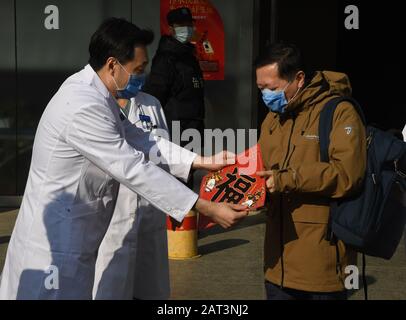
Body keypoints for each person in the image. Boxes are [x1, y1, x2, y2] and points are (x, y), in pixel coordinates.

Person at [0, 18, 247, 300]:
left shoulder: (97, 94)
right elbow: (131, 166)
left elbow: (142, 139)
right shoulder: (82, 105)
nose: (142, 77)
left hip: (75, 237)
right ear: (113, 64)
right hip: (54, 249)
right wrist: (203, 206)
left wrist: (201, 161)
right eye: (138, 70)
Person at [255, 43, 366, 300]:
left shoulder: (339, 112)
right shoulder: (272, 119)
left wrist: (286, 179)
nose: (266, 96)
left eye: (272, 88)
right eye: (261, 89)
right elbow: (263, 172)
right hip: (276, 264)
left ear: (299, 78)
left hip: (321, 266)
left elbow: (348, 175)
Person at [93, 92, 172, 300]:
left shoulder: (152, 104)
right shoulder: (96, 104)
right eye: (137, 68)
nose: (140, 73)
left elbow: (163, 154)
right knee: (110, 288)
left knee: (150, 288)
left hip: (151, 210)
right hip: (113, 213)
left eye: (143, 67)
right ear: (114, 65)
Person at [142, 7, 205, 150]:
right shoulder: (166, 58)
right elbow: (155, 95)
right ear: (171, 29)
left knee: (191, 170)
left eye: (189, 24)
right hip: (175, 130)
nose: (187, 29)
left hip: (193, 127)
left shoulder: (189, 55)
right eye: (181, 25)